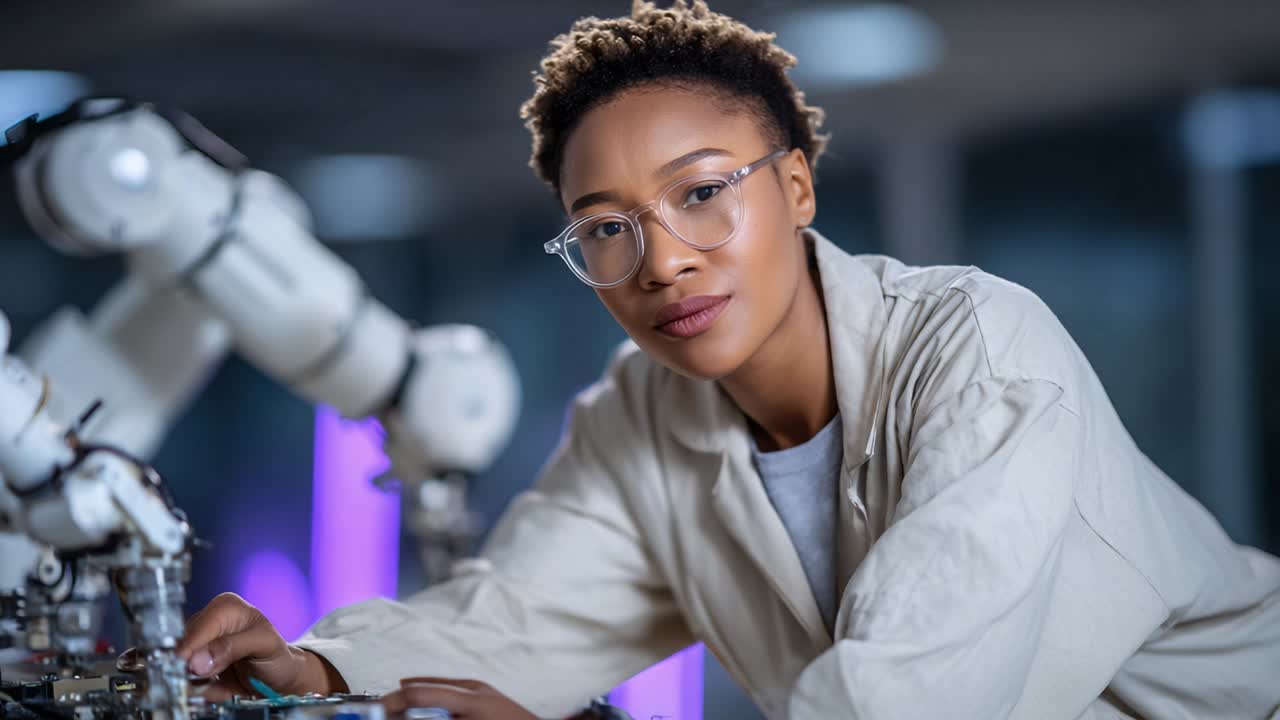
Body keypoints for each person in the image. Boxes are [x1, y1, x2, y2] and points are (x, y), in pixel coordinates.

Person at [171, 2, 1280, 718]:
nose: (661, 262)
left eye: (702, 192)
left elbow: (902, 702)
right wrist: (314, 668)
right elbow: (517, 620)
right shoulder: (642, 412)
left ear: (795, 187)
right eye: (606, 228)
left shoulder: (977, 350)